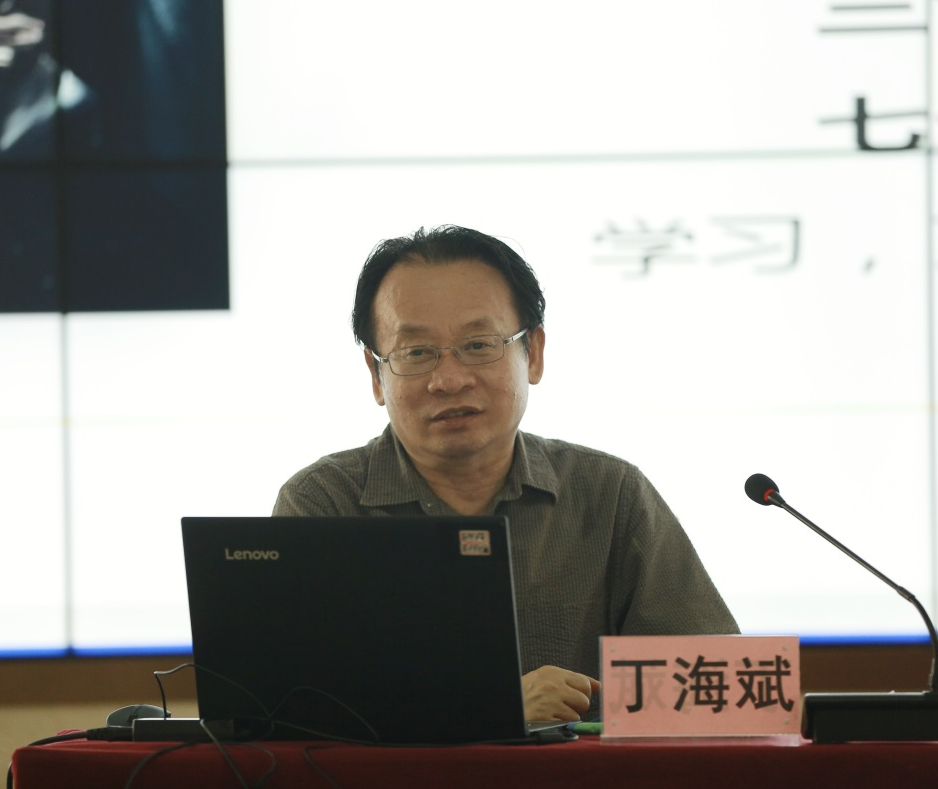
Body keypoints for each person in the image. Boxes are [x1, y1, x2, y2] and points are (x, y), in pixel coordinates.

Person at [273, 225, 738, 722]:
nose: (449, 380)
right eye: (416, 352)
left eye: (478, 345)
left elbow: (722, 694)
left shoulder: (610, 495)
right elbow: (285, 708)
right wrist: (495, 707)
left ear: (533, 353)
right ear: (375, 374)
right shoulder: (323, 505)